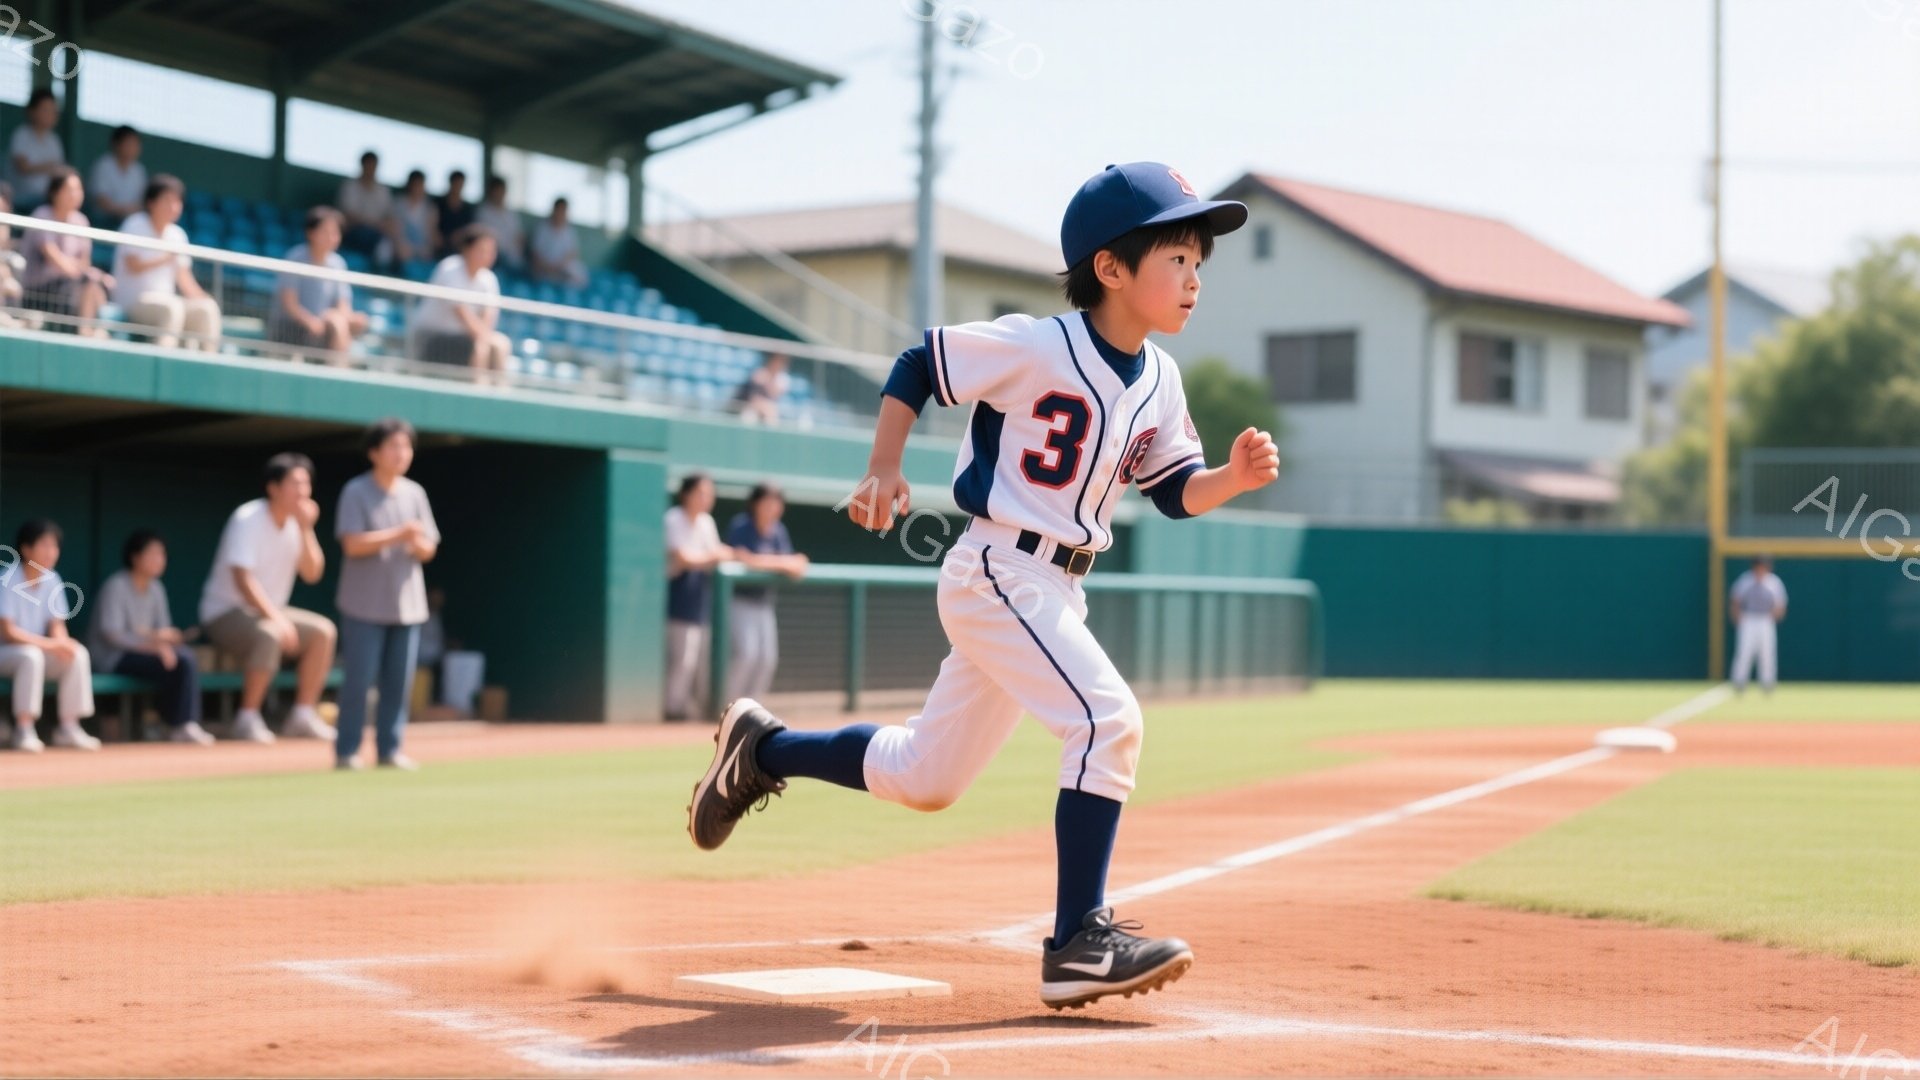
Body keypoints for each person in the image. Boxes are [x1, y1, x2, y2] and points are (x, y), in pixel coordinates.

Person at [686, 162, 1279, 1011]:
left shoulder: (1161, 380)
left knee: (927, 777)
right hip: (1001, 568)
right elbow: (918, 363)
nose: (1193, 279)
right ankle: (1079, 938)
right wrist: (884, 465)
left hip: (1055, 587)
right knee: (1108, 721)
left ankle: (762, 748)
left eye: (1198, 263)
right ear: (1110, 268)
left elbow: (1174, 492)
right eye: (1176, 258)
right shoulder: (1039, 344)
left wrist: (1231, 477)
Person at [198, 453, 338, 744]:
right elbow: (242, 578)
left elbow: (313, 573)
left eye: (306, 483)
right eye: (294, 483)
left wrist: (306, 528)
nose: (302, 491)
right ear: (273, 488)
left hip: (271, 612)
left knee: (323, 631)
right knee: (270, 633)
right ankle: (246, 718)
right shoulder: (248, 518)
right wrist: (276, 617)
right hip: (224, 612)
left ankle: (301, 715)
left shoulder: (296, 525)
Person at [333, 418, 440, 771]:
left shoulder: (416, 493)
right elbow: (352, 544)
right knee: (359, 683)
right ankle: (347, 751)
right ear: (374, 452)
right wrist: (398, 534)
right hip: (363, 605)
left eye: (406, 446)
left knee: (398, 684)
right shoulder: (356, 491)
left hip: (407, 605)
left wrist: (418, 544)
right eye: (393, 446)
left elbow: (429, 547)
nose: (401, 453)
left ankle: (390, 750)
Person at [89, 530, 213, 745]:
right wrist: (153, 647)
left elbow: (160, 631)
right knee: (179, 661)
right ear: (135, 557)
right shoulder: (116, 586)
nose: (159, 560)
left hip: (145, 655)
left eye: (162, 554)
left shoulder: (156, 588)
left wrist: (168, 639)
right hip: (112, 657)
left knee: (185, 658)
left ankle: (181, 724)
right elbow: (112, 635)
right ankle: (177, 724)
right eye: (153, 554)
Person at [0, 519, 99, 751]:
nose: (51, 552)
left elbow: (56, 624)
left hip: (35, 650)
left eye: (54, 546)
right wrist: (51, 645)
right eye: (44, 545)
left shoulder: (52, 578)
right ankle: (24, 729)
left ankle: (69, 727)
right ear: (26, 549)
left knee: (77, 653)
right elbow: (8, 632)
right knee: (31, 656)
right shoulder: (8, 577)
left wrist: (62, 643)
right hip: (6, 652)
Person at [112, 174, 221, 351]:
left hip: (168, 302)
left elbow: (185, 280)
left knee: (207, 309)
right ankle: (164, 365)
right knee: (172, 308)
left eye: (177, 201)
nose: (173, 206)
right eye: (167, 200)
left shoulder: (178, 235)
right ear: (151, 202)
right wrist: (165, 258)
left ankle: (209, 367)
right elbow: (132, 266)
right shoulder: (134, 224)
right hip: (133, 302)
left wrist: (204, 298)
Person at [723, 483, 809, 701]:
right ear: (755, 503)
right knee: (746, 655)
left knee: (767, 659)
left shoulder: (778, 531)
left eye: (776, 502)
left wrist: (772, 562)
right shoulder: (741, 526)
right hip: (738, 601)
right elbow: (746, 558)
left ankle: (752, 709)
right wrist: (782, 562)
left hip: (764, 603)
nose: (772, 507)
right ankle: (728, 705)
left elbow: (796, 568)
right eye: (767, 501)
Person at [663, 473, 735, 721]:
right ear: (686, 494)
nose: (706, 498)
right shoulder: (673, 518)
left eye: (709, 493)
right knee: (681, 659)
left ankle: (686, 709)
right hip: (675, 594)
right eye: (701, 493)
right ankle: (672, 710)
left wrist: (722, 555)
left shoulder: (706, 522)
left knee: (698, 661)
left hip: (699, 597)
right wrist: (715, 556)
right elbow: (683, 558)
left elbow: (715, 554)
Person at [411, 224, 510, 383]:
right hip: (432, 339)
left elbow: (487, 319)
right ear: (467, 249)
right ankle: (476, 395)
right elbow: (463, 316)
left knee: (500, 344)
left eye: (491, 251)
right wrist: (482, 339)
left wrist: (483, 338)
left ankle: (498, 397)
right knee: (481, 346)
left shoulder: (489, 279)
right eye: (482, 250)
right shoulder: (449, 269)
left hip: (466, 340)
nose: (487, 255)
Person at [21, 167, 112, 337]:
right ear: (55, 192)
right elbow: (53, 258)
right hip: (39, 292)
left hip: (70, 289)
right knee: (88, 282)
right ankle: (86, 330)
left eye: (78, 189)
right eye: (69, 189)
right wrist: (85, 273)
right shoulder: (42, 215)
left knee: (96, 284)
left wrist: (95, 275)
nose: (75, 194)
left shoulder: (81, 221)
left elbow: (84, 262)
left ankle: (93, 330)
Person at [269, 206, 368, 359]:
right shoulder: (295, 258)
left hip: (324, 329)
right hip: (290, 330)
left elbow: (343, 306)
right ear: (311, 233)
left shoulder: (338, 264)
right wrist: (312, 322)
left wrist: (352, 319)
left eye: (335, 233)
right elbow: (289, 304)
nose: (331, 238)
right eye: (326, 232)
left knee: (337, 321)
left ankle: (338, 372)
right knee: (336, 322)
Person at [1729, 554, 1787, 695]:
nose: (1761, 569)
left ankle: (1768, 684)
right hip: (1748, 618)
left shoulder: (1773, 582)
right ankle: (1739, 682)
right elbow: (1735, 600)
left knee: (1767, 653)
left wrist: (1774, 617)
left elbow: (1780, 603)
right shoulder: (1745, 580)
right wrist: (1738, 618)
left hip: (1766, 620)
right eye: (1758, 566)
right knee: (1744, 652)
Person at [7, 89, 65, 209]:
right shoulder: (21, 135)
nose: (51, 114)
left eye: (53, 110)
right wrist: (51, 167)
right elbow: (23, 167)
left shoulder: (54, 140)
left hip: (46, 199)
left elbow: (59, 173)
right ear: (32, 111)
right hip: (21, 197)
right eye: (45, 110)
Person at [336, 150, 394, 264]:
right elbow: (350, 216)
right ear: (362, 165)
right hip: (353, 233)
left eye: (374, 165)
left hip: (377, 234)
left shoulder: (383, 190)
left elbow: (389, 217)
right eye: (369, 165)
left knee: (386, 247)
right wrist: (375, 223)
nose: (371, 169)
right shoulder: (350, 186)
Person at [87, 125, 146, 228]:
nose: (132, 148)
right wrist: (123, 210)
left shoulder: (139, 171)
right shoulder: (103, 165)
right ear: (117, 144)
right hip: (102, 222)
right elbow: (101, 201)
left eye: (135, 144)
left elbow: (142, 204)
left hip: (129, 223)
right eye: (128, 143)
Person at [528, 197, 586, 287]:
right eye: (560, 210)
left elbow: (573, 254)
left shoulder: (569, 230)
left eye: (564, 211)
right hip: (544, 268)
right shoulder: (542, 228)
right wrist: (548, 268)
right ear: (554, 210)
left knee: (579, 275)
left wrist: (559, 266)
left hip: (562, 269)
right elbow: (535, 254)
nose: (561, 213)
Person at [473, 175, 524, 271]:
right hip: (495, 262)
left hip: (515, 261)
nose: (500, 194)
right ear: (491, 191)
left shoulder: (511, 213)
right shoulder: (483, 212)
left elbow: (519, 237)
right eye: (497, 190)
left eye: (502, 190)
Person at [390, 169, 438, 268]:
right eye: (416, 184)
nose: (418, 188)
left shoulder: (430, 209)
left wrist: (424, 250)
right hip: (402, 248)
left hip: (423, 251)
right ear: (410, 185)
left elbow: (431, 235)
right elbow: (395, 229)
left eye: (421, 185)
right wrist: (402, 245)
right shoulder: (399, 204)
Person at [731, 353, 791, 425]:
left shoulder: (783, 378)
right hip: (754, 405)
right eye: (775, 361)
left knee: (771, 416)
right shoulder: (760, 372)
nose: (777, 365)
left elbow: (775, 392)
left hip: (770, 407)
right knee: (748, 417)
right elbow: (755, 391)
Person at [434, 170, 476, 258]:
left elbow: (470, 229)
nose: (458, 187)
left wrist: (461, 235)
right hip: (440, 247)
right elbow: (432, 226)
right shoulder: (439, 204)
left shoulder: (468, 208)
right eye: (456, 183)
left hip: (461, 247)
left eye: (460, 184)